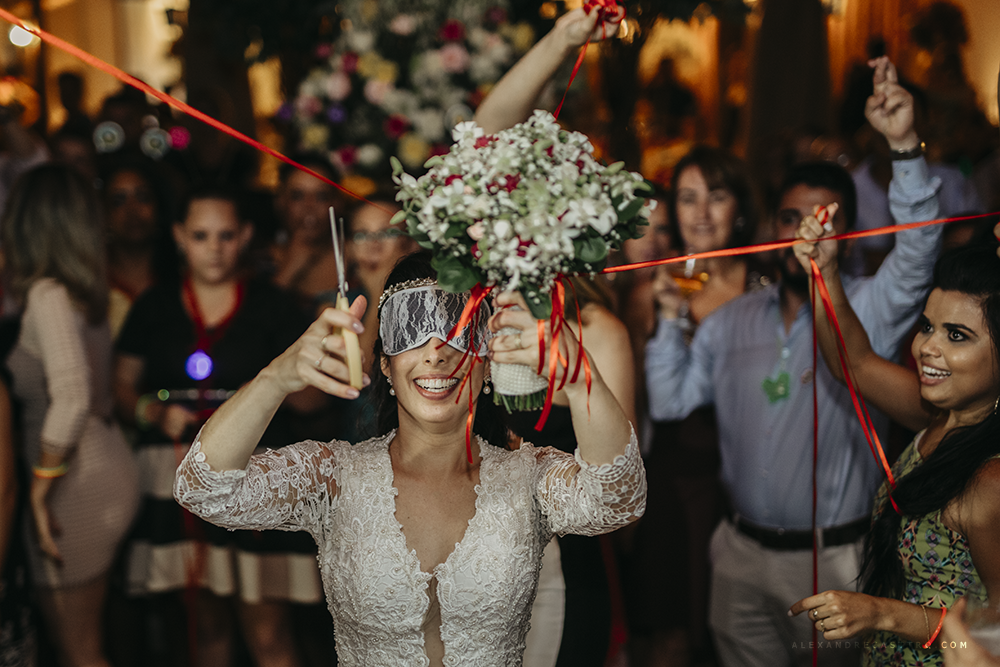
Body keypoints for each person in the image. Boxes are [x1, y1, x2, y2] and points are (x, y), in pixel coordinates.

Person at [172, 251, 646, 666]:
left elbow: (618, 500)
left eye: (458, 332)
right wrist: (277, 377)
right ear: (385, 364)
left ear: (486, 363)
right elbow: (202, 487)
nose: (436, 354)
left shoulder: (528, 476)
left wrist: (582, 378)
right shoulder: (335, 478)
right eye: (412, 330)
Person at [644, 57, 943, 667]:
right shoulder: (729, 321)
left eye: (823, 219)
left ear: (851, 233)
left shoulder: (868, 310)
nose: (804, 231)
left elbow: (920, 248)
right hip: (738, 555)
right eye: (790, 218)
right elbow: (672, 400)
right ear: (772, 227)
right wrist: (671, 320)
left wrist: (902, 146)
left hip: (837, 561)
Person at [114, 188, 327, 667]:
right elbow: (121, 389)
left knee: (269, 631)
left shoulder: (275, 306)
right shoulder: (153, 305)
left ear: (245, 237)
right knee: (205, 625)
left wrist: (320, 353)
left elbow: (312, 401)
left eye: (226, 235)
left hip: (256, 477)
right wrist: (152, 412)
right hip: (174, 474)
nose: (214, 248)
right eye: (201, 235)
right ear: (179, 238)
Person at [788, 219, 1000, 666]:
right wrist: (824, 274)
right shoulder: (938, 416)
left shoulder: (989, 478)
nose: (927, 347)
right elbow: (857, 364)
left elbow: (994, 634)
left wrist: (883, 613)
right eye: (928, 327)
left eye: (956, 335)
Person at [633, 145, 770, 666]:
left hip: (752, 466)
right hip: (676, 469)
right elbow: (642, 400)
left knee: (739, 633)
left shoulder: (769, 285)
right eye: (687, 199)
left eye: (716, 196)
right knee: (672, 628)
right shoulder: (655, 289)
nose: (702, 213)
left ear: (740, 207)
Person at [3, 163, 140, 667]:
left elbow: (73, 395)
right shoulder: (82, 292)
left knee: (79, 653)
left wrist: (40, 488)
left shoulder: (46, 294)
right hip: (102, 464)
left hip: (74, 485)